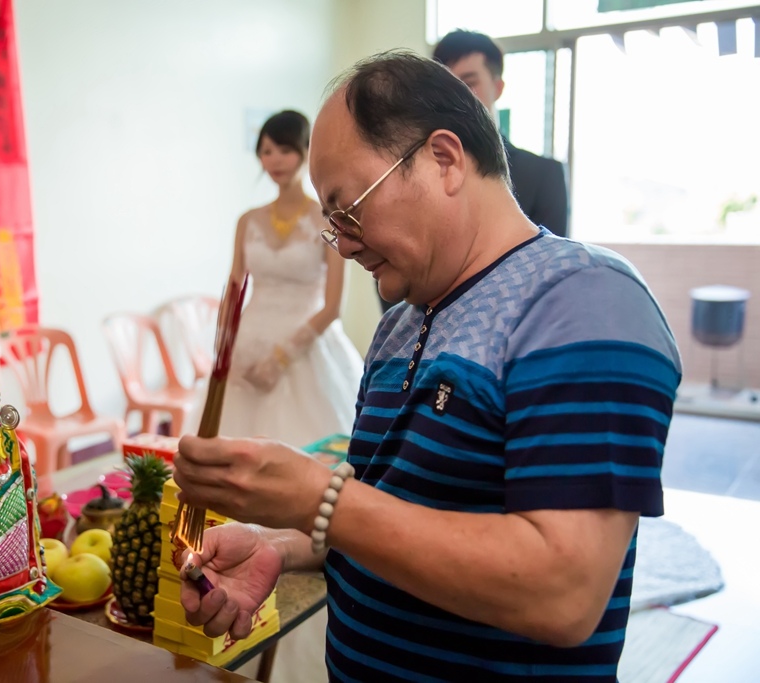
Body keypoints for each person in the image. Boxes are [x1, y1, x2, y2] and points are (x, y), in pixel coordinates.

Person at [173, 51, 681, 683]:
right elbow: (389, 512)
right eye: (333, 225)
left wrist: (316, 497)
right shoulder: (399, 323)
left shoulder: (582, 302)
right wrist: (280, 545)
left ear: (443, 159)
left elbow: (564, 593)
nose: (346, 243)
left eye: (348, 209)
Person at [378, 29, 569, 313]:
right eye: (446, 85)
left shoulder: (543, 173)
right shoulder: (408, 173)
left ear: (498, 86)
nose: (456, 96)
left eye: (469, 83)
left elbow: (551, 271)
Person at [214, 109, 362, 448]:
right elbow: (234, 289)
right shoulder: (247, 221)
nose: (275, 160)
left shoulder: (329, 220)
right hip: (247, 346)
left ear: (307, 150)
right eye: (266, 151)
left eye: (285, 149)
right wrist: (223, 345)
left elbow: (332, 307)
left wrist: (281, 358)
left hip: (305, 350)